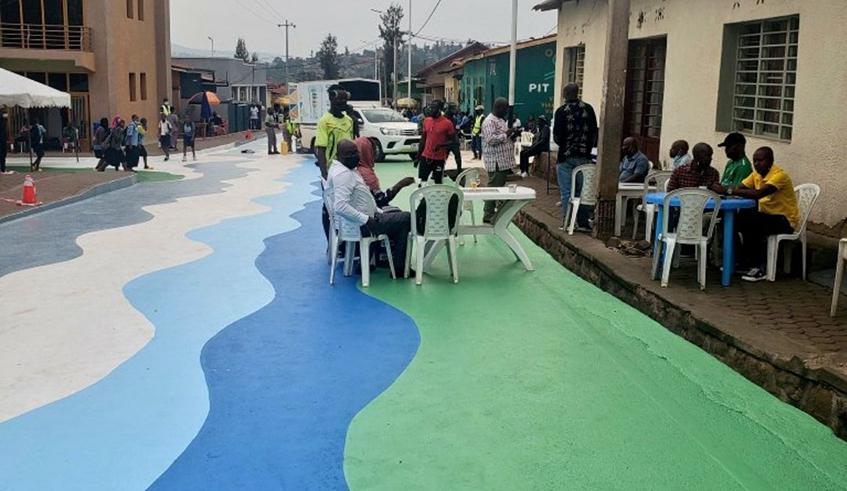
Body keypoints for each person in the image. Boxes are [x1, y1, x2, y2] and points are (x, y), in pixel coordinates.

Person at [710, 147, 799, 282]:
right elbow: (739, 187)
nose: (757, 164)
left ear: (770, 161)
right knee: (732, 221)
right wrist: (724, 188)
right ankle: (740, 260)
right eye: (755, 161)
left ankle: (760, 267)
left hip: (785, 220)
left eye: (760, 160)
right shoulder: (756, 175)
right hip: (767, 216)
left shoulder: (779, 176)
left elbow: (759, 193)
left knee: (752, 222)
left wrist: (728, 191)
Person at [327, 139, 411, 276]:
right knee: (407, 218)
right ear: (339, 155)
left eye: (356, 152)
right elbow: (340, 206)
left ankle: (393, 264)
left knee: (397, 218)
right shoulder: (344, 175)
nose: (355, 156)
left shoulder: (340, 169)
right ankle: (399, 267)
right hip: (364, 224)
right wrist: (366, 219)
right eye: (350, 154)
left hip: (355, 222)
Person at [554, 83, 598, 229]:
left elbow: (557, 136)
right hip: (584, 157)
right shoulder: (588, 109)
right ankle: (583, 222)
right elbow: (594, 133)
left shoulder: (561, 111)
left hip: (565, 157)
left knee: (566, 191)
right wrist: (586, 148)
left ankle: (567, 222)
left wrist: (566, 145)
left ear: (566, 94)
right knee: (582, 191)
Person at [482, 97, 516, 224]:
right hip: (495, 161)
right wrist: (506, 135)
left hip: (503, 162)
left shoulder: (500, 121)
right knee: (493, 187)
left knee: (499, 188)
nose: (506, 112)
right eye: (505, 109)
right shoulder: (489, 122)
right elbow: (491, 139)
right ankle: (488, 214)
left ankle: (493, 211)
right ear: (499, 108)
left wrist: (511, 134)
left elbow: (503, 137)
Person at [354, 136, 414, 207]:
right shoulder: (365, 174)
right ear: (366, 152)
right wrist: (400, 185)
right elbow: (380, 200)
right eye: (372, 149)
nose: (376, 152)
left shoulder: (354, 169)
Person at [315, 85, 354, 179]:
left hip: (348, 168)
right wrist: (324, 173)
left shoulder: (349, 120)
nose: (343, 102)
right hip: (333, 169)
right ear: (331, 99)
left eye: (345, 100)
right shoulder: (325, 121)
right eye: (340, 100)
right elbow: (321, 149)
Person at [418, 100, 455, 185]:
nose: (430, 110)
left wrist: (441, 145)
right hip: (425, 157)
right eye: (430, 107)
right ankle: (423, 194)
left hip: (439, 159)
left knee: (438, 182)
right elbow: (423, 139)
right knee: (422, 181)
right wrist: (418, 156)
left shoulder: (447, 123)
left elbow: (453, 141)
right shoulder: (426, 121)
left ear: (439, 110)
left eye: (433, 108)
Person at [443, 103, 463, 172]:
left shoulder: (454, 118)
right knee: (443, 157)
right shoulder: (444, 118)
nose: (456, 110)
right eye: (454, 109)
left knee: (458, 157)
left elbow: (455, 128)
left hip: (453, 140)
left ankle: (459, 171)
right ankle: (441, 171)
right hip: (446, 141)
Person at [1, 107, 10, 174]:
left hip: (3, 139)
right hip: (2, 140)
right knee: (3, 155)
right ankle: (3, 168)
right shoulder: (3, 121)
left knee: (3, 155)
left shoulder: (4, 121)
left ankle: (3, 168)